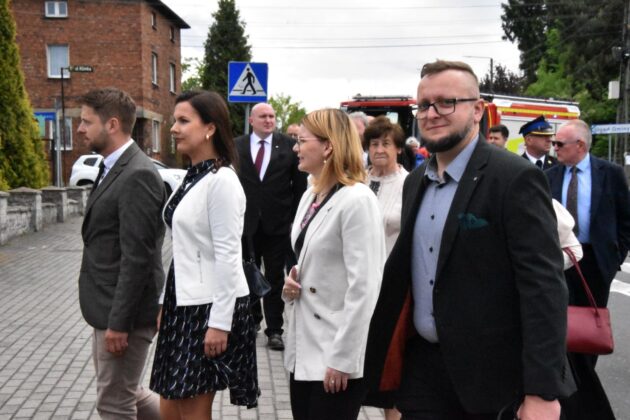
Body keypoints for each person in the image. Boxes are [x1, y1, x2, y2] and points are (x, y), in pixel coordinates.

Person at [364, 60, 575, 420]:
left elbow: (543, 288)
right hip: (423, 373)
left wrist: (542, 391)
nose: (432, 113)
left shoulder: (514, 178)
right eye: (424, 105)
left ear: (477, 110)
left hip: (493, 383)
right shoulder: (416, 182)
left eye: (446, 102)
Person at [150, 91, 259, 418]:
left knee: (192, 409)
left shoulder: (222, 180)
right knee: (169, 407)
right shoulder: (194, 175)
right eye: (174, 121)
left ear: (210, 128)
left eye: (184, 121)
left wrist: (220, 324)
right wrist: (164, 302)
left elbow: (229, 256)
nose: (173, 128)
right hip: (181, 303)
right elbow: (184, 247)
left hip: (208, 307)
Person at [283, 109, 386, 420]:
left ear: (328, 146)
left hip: (335, 354)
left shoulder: (358, 200)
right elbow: (311, 255)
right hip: (304, 347)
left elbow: (365, 287)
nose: (295, 147)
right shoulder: (311, 194)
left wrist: (343, 359)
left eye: (302, 141)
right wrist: (292, 280)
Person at [77, 87, 165, 420]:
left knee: (115, 403)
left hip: (124, 315)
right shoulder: (114, 166)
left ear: (112, 124)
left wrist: (119, 323)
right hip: (108, 307)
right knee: (128, 394)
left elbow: (137, 258)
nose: (80, 129)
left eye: (87, 122)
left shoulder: (137, 173)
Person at [546, 119, 630, 419]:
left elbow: (625, 219)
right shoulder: (549, 176)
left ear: (580, 146)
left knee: (590, 323)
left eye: (559, 144)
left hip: (595, 261)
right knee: (558, 320)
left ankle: (584, 382)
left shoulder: (610, 173)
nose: (554, 149)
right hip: (559, 259)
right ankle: (565, 381)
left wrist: (615, 259)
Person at [235, 103, 307, 350]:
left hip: (277, 225)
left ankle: (275, 329)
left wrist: (294, 220)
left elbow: (299, 187)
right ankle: (251, 320)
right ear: (251, 121)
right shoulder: (237, 146)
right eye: (263, 116)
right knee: (248, 273)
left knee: (275, 277)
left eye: (272, 116)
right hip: (246, 224)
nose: (268, 120)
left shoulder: (289, 146)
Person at [363, 116, 407, 420]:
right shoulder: (356, 179)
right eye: (374, 143)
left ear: (398, 149)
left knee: (390, 368)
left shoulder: (409, 183)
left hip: (391, 286)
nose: (379, 149)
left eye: (386, 144)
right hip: (356, 284)